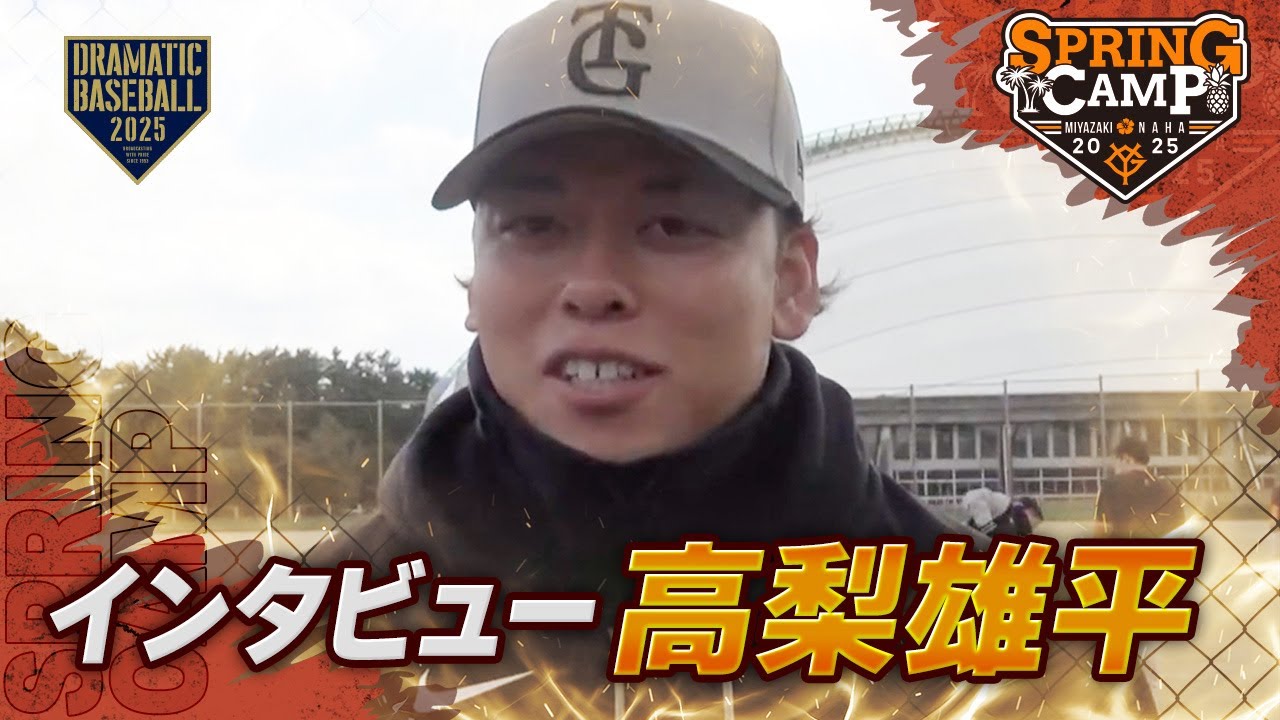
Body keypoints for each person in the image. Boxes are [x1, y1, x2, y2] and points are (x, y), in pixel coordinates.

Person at [1095, 436, 1186, 538]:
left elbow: (1101, 529)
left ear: (1126, 459)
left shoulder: (1111, 485)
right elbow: (1179, 528)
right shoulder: (1168, 487)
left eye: (1116, 461)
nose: (1115, 467)